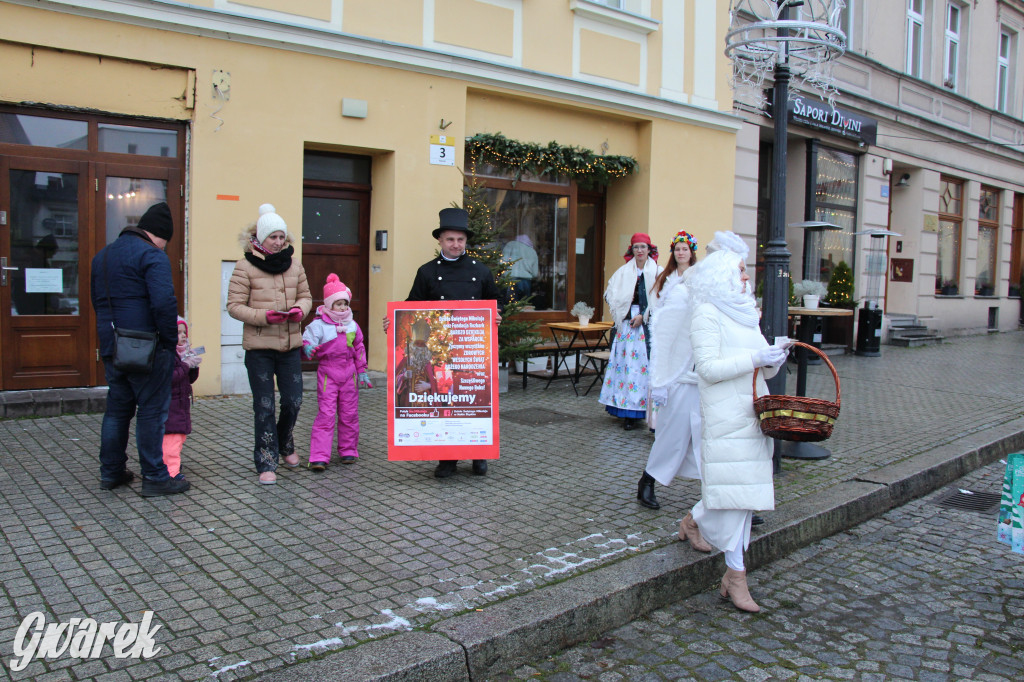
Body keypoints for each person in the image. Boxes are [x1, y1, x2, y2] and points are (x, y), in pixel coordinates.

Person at [681, 246, 789, 613]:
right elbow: (708, 369)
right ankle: (736, 575)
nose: (746, 277)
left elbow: (760, 364)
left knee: (744, 496)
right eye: (740, 271)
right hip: (726, 415)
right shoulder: (706, 313)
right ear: (722, 277)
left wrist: (773, 358)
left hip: (754, 414)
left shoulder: (745, 311)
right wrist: (755, 358)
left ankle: (705, 536)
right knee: (734, 499)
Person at [383, 207, 502, 478]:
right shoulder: (426, 272)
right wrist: (393, 322)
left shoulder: (481, 271)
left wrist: (497, 314)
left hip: (472, 347)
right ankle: (447, 458)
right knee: (445, 400)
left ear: (466, 241)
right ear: (440, 240)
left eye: (460, 239)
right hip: (439, 351)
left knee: (472, 397)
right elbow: (412, 307)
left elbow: (497, 301)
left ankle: (479, 454)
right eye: (450, 239)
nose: (456, 244)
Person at [91, 201, 190, 496]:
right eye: (165, 242)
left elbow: (97, 301)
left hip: (112, 344)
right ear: (159, 235)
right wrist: (169, 342)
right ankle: (155, 477)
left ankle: (111, 472)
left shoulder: (102, 256)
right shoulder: (152, 254)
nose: (164, 247)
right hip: (146, 347)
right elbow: (164, 303)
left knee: (117, 411)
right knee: (151, 411)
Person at [227, 203, 312, 485]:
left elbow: (306, 296)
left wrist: (300, 310)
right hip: (259, 349)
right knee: (264, 406)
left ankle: (284, 441)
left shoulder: (295, 265)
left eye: (281, 237)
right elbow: (234, 306)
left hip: (290, 347)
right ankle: (266, 460)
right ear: (260, 238)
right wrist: (264, 316)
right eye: (273, 237)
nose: (278, 242)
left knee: (294, 401)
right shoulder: (245, 266)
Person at [636, 230, 699, 510]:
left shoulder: (700, 279)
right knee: (673, 431)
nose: (681, 253)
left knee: (708, 436)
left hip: (701, 362)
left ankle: (727, 499)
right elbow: (660, 328)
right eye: (677, 249)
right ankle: (648, 480)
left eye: (685, 249)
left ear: (692, 252)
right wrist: (660, 378)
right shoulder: (666, 281)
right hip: (677, 369)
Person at [303, 274, 371, 471]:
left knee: (349, 413)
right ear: (328, 304)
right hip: (328, 374)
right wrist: (307, 348)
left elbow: (359, 348)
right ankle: (319, 456)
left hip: (349, 374)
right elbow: (308, 340)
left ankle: (348, 450)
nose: (342, 308)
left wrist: (362, 370)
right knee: (326, 414)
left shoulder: (352, 325)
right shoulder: (319, 325)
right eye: (338, 304)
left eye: (345, 304)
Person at [598, 232, 663, 430]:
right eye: (636, 247)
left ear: (649, 249)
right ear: (632, 250)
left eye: (643, 247)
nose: (640, 250)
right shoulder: (623, 272)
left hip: (647, 327)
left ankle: (645, 411)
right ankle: (626, 411)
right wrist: (623, 310)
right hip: (626, 325)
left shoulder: (658, 272)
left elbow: (662, 299)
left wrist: (644, 315)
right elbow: (609, 294)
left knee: (642, 368)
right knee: (625, 368)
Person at [162, 316, 201, 481]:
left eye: (184, 332)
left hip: (179, 405)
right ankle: (171, 473)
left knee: (178, 439)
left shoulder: (181, 354)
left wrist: (193, 366)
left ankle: (170, 466)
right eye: (178, 333)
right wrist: (186, 365)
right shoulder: (166, 354)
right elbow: (171, 377)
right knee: (172, 441)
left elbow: (188, 379)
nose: (183, 336)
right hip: (171, 407)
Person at [501, 233, 539, 301]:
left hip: (511, 279)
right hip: (526, 282)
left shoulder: (510, 245)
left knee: (510, 305)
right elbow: (535, 273)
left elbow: (502, 262)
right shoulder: (532, 251)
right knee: (524, 305)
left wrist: (503, 274)